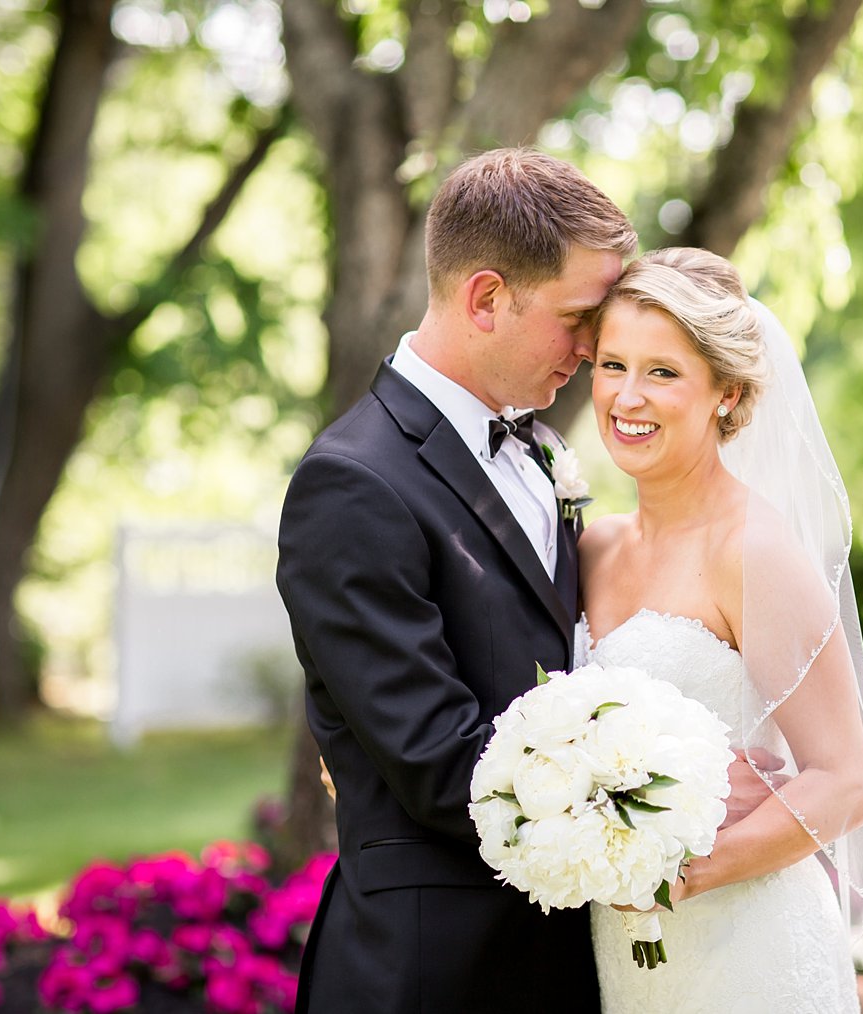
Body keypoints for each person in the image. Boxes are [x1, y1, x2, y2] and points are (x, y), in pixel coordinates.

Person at [274, 148, 635, 1012]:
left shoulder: (542, 454)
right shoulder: (353, 483)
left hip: (567, 960)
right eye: (579, 317)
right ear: (486, 299)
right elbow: (438, 764)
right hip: (433, 973)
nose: (592, 351)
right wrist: (658, 807)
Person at [578, 248, 863, 1013]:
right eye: (613, 364)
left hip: (748, 948)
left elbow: (845, 782)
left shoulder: (756, 552)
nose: (627, 397)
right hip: (627, 954)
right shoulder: (591, 548)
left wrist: (682, 871)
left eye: (663, 372)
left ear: (728, 393)